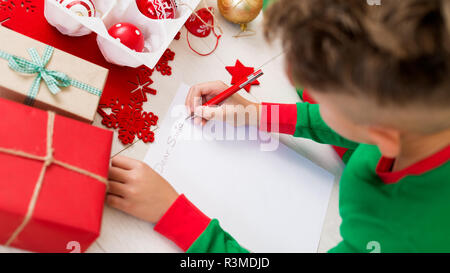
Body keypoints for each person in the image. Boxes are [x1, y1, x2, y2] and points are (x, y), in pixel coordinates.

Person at [106, 0, 450, 252]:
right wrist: (259, 114)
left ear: (383, 133)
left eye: (321, 96)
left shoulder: (401, 234)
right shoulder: (421, 116)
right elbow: (353, 129)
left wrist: (173, 213)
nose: (307, 94)